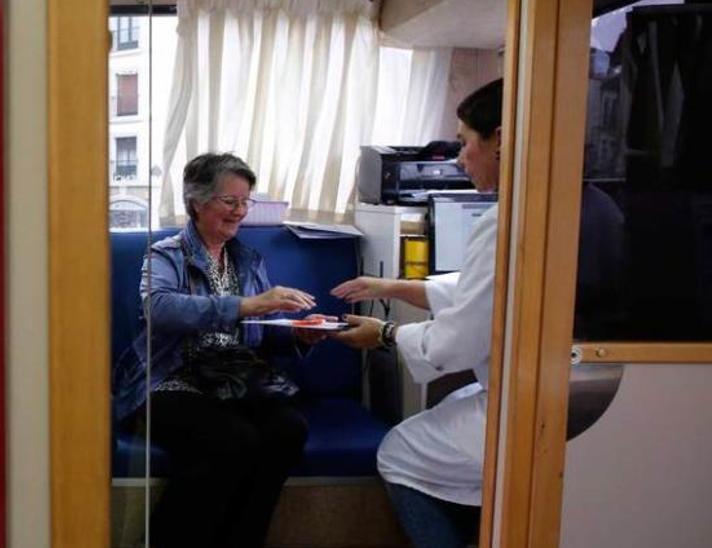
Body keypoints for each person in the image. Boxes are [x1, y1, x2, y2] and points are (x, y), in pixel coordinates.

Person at [112, 153, 331, 548]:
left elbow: (258, 332)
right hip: (167, 380)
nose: (240, 212)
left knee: (288, 429)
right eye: (230, 202)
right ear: (197, 202)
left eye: (246, 202)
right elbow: (157, 308)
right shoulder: (165, 254)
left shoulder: (248, 260)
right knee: (232, 440)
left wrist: (299, 335)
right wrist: (246, 305)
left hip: (230, 380)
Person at [330, 79, 504, 548]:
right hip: (568, 389)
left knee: (399, 451)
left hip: (526, 403)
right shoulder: (592, 206)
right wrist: (392, 286)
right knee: (451, 405)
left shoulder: (505, 222)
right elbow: (479, 294)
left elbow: (460, 339)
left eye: (467, 143)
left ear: (501, 140)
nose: (460, 159)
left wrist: (385, 333)